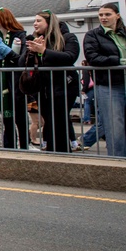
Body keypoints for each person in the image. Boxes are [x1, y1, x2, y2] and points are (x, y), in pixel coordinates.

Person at [18, 10, 79, 153]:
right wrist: (31, 51)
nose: (35, 24)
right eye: (34, 21)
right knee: (49, 121)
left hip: (64, 86)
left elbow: (70, 57)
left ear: (49, 23)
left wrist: (44, 51)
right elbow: (21, 63)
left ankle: (62, 152)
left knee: (59, 120)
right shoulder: (33, 39)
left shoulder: (67, 37)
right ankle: (52, 151)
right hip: (43, 88)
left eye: (39, 21)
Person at [83, 3, 126, 157]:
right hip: (109, 85)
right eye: (101, 15)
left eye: (107, 14)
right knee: (115, 127)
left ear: (117, 15)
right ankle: (118, 162)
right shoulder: (93, 35)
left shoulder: (123, 33)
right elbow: (93, 58)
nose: (103, 18)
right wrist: (119, 60)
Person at [0, 8, 28, 149]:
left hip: (15, 83)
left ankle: (24, 146)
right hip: (0, 83)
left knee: (20, 119)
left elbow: (21, 60)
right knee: (6, 120)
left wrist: (7, 52)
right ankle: (10, 146)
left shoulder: (20, 35)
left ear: (4, 18)